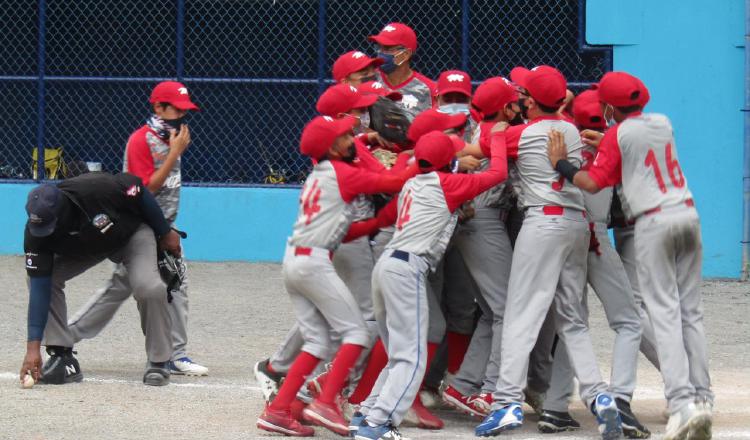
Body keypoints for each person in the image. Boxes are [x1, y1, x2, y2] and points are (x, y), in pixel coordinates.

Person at [547, 71, 713, 440]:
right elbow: (629, 145)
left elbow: (592, 180)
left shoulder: (614, 136)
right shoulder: (661, 123)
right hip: (685, 215)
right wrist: (605, 138)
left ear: (609, 108)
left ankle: (680, 402)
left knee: (652, 313)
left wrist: (563, 163)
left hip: (644, 225)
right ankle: (699, 398)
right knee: (685, 314)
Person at [474, 65, 622, 440]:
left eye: (525, 95)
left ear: (529, 101)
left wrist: (498, 133)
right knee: (572, 319)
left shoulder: (521, 134)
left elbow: (478, 148)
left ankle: (505, 401)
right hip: (575, 225)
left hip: (542, 224)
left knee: (521, 314)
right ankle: (599, 397)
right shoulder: (572, 129)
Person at [256, 115, 417, 437]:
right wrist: (415, 156)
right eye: (346, 136)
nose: (352, 139)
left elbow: (346, 232)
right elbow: (393, 182)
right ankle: (325, 403)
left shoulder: (322, 174)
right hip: (313, 263)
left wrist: (382, 217)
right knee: (356, 333)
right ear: (331, 146)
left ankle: (277, 411)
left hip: (296, 260)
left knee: (317, 341)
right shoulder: (342, 172)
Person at [353, 128, 509, 440]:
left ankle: (368, 413)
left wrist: (455, 165)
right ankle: (378, 424)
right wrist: (500, 140)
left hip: (387, 266)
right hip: (406, 269)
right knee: (412, 356)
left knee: (400, 353)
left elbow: (446, 181)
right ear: (447, 161)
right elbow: (498, 172)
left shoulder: (414, 180)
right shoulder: (448, 183)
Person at [67, 81, 208, 376]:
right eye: (176, 109)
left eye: (185, 111)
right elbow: (144, 189)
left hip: (163, 225)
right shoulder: (141, 140)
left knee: (157, 286)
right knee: (154, 287)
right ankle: (172, 354)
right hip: (141, 228)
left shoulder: (170, 137)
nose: (182, 116)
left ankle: (66, 337)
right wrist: (175, 153)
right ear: (158, 107)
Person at [538, 88, 651, 438]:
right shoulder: (615, 146)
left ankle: (555, 408)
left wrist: (565, 109)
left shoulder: (556, 141)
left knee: (573, 327)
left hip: (558, 235)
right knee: (629, 321)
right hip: (594, 238)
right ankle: (620, 402)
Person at [20, 172, 182, 387]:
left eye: (49, 225)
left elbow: (138, 189)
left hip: (129, 235)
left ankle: (159, 361)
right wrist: (32, 349)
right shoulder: (36, 234)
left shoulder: (96, 189)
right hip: (83, 247)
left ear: (62, 212)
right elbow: (40, 288)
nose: (44, 232)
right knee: (42, 279)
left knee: (149, 288)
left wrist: (164, 231)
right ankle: (62, 357)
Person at [441, 76, 520, 417]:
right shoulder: (496, 131)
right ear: (504, 108)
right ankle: (490, 392)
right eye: (514, 101)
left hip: (477, 219)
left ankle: (463, 385)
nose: (518, 105)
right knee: (507, 310)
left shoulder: (484, 127)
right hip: (483, 220)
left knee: (491, 311)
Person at [368, 22, 435, 122]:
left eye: (387, 48)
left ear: (406, 54)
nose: (381, 53)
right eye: (379, 48)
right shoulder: (368, 80)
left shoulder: (429, 89)